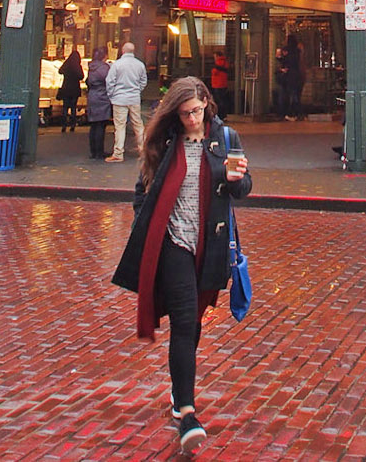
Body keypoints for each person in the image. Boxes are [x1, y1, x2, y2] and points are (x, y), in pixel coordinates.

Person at [111, 76, 252, 454]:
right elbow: (143, 189)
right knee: (185, 319)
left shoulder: (225, 138)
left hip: (209, 242)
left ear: (206, 102)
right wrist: (147, 225)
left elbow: (243, 188)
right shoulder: (165, 141)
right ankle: (187, 411)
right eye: (184, 112)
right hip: (173, 242)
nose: (192, 118)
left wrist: (237, 180)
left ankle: (179, 387)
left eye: (196, 110)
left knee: (193, 319)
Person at [105, 41, 148, 163]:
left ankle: (118, 153)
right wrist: (137, 90)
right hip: (134, 98)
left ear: (123, 51)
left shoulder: (117, 65)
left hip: (119, 99)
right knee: (138, 125)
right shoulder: (139, 65)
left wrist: (112, 94)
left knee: (120, 126)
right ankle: (144, 150)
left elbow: (110, 81)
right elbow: (143, 81)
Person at [86, 46, 112, 161]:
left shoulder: (91, 67)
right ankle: (99, 151)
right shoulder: (104, 68)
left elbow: (88, 81)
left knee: (94, 125)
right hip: (102, 97)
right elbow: (110, 81)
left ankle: (93, 151)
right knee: (101, 125)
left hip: (92, 96)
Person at [57, 47, 84, 132]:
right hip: (74, 89)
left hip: (66, 88)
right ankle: (72, 125)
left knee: (65, 107)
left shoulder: (67, 64)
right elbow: (81, 76)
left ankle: (64, 125)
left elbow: (60, 71)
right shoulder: (77, 66)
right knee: (73, 107)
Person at [283, 34, 304, 120]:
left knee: (291, 94)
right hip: (297, 74)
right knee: (296, 95)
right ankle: (297, 113)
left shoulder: (286, 50)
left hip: (290, 75)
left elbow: (286, 62)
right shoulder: (298, 50)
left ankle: (291, 113)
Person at [209, 49, 230, 117]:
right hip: (223, 84)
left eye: (215, 56)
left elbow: (214, 72)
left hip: (217, 84)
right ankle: (224, 114)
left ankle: (220, 115)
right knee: (223, 100)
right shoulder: (225, 62)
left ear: (217, 56)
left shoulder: (218, 63)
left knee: (218, 101)